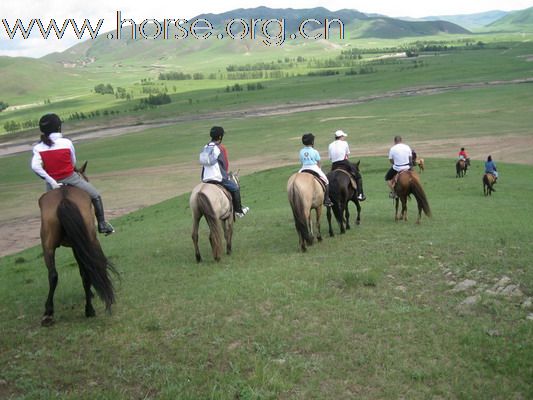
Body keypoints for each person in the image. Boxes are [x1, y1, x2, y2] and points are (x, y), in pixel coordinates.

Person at [31, 113, 115, 235]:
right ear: (59, 127)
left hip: (52, 185)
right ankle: (102, 224)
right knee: (96, 195)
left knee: (46, 205)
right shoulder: (66, 142)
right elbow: (73, 162)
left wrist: (52, 181)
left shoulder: (38, 148)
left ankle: (49, 233)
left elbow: (35, 167)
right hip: (71, 178)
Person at [200, 126, 249, 218]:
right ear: (220, 137)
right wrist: (226, 175)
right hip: (217, 178)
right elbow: (225, 164)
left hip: (205, 178)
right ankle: (239, 211)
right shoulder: (220, 148)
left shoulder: (205, 147)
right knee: (235, 188)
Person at [328, 129, 366, 201]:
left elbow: (330, 158)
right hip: (344, 162)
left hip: (334, 165)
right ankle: (360, 194)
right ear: (341, 136)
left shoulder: (330, 145)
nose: (344, 137)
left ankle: (328, 197)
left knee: (328, 179)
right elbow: (347, 154)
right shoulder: (345, 143)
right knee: (358, 176)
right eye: (343, 136)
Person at [299, 133, 332, 207]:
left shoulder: (301, 151)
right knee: (326, 181)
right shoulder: (315, 151)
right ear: (312, 142)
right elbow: (318, 162)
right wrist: (319, 169)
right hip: (313, 167)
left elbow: (301, 162)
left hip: (304, 167)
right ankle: (326, 199)